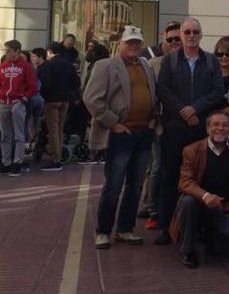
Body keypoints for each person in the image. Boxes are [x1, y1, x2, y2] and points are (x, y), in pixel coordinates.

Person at [83, 25, 158, 250]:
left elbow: (152, 94)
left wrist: (153, 118)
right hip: (121, 134)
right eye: (130, 42)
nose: (134, 46)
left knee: (135, 186)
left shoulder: (145, 64)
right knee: (114, 184)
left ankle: (125, 229)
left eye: (137, 42)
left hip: (143, 132)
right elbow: (91, 98)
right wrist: (113, 123)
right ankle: (103, 230)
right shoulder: (105, 65)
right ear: (120, 44)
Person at [155, 17, 226, 246]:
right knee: (170, 178)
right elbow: (162, 90)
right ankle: (165, 227)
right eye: (187, 32)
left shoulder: (211, 61)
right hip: (175, 129)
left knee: (202, 177)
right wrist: (183, 110)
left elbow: (218, 91)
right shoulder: (170, 61)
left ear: (201, 35)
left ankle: (201, 227)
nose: (191, 35)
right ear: (182, 35)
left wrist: (195, 108)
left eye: (195, 31)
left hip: (201, 129)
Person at [169, 111, 229, 268]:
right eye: (215, 125)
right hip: (201, 202)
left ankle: (211, 235)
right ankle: (188, 250)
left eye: (225, 125)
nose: (220, 128)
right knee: (187, 201)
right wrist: (205, 196)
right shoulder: (191, 150)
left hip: (227, 202)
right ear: (207, 128)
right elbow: (185, 182)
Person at [139, 22, 183, 230]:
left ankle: (173, 208)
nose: (175, 42)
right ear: (164, 40)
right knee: (157, 167)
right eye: (171, 39)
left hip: (182, 125)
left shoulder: (190, 62)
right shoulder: (154, 63)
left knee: (176, 167)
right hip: (160, 124)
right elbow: (149, 94)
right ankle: (153, 209)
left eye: (178, 39)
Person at [0, 39, 37, 177]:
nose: (6, 53)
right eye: (6, 50)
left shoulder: (26, 66)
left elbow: (32, 86)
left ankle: (17, 163)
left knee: (19, 135)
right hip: (3, 102)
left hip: (18, 103)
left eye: (9, 50)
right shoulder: (3, 66)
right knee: (5, 135)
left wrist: (22, 100)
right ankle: (5, 163)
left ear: (17, 51)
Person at [38, 41, 81, 171]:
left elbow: (45, 83)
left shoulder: (49, 65)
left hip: (52, 100)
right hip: (65, 99)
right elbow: (76, 82)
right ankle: (59, 155)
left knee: (53, 129)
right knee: (60, 129)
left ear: (50, 51)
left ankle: (55, 159)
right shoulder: (68, 64)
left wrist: (44, 95)